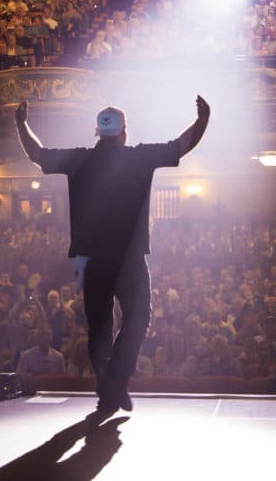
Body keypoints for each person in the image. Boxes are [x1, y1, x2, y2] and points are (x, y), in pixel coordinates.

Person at [14, 95, 210, 413]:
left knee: (100, 324)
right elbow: (181, 146)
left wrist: (21, 123)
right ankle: (116, 380)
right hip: (129, 258)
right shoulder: (138, 158)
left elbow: (37, 154)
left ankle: (108, 378)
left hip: (91, 259)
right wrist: (202, 120)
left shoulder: (79, 160)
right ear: (124, 132)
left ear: (98, 132)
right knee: (138, 317)